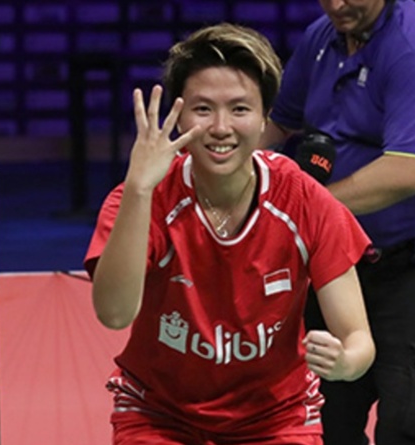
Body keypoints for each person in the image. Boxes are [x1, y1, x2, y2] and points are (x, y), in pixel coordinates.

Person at [84, 23, 376, 445]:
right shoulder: (142, 197)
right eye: (203, 109)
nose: (221, 127)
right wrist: (139, 189)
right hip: (159, 416)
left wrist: (346, 363)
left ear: (263, 120)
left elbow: (358, 339)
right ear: (178, 116)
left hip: (277, 419)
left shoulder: (304, 201)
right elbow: (113, 314)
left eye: (239, 109)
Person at [259, 1, 415, 444]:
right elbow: (275, 123)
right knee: (321, 418)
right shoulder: (323, 36)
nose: (336, 3)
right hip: (344, 259)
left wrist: (303, 212)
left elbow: (410, 171)